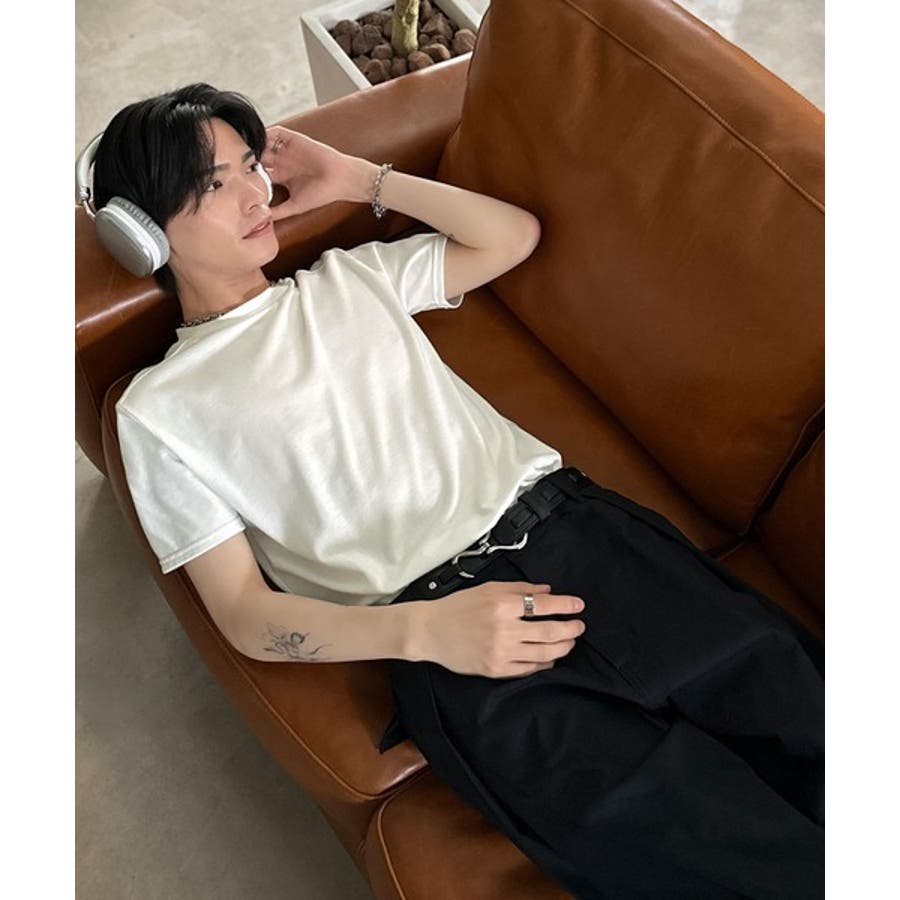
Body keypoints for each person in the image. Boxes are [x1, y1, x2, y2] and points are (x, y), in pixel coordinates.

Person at [88, 83, 824, 899]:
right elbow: (244, 616)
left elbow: (510, 235)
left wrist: (360, 178)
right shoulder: (157, 411)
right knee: (724, 862)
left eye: (251, 166)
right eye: (214, 183)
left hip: (582, 533)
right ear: (142, 232)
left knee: (817, 721)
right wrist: (425, 632)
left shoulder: (349, 280)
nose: (256, 194)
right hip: (456, 644)